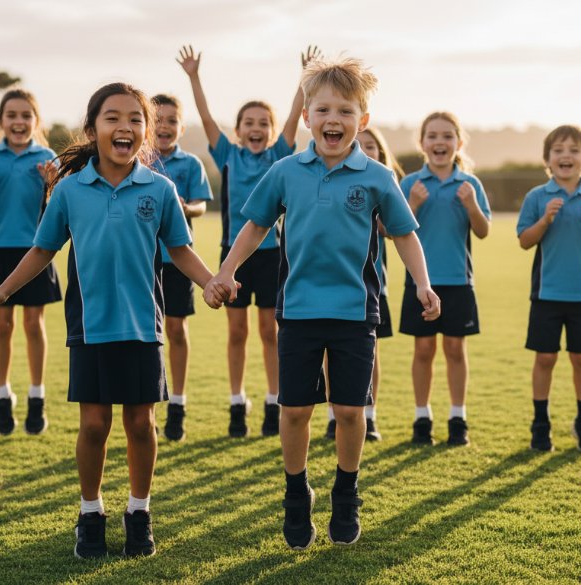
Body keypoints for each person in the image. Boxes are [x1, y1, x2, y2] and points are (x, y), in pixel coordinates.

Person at [0, 83, 225, 559]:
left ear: (146, 133)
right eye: (112, 118)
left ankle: (139, 511)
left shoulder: (161, 188)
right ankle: (90, 513)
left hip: (142, 328)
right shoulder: (69, 189)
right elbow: (43, 249)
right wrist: (3, 289)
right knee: (92, 426)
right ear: (93, 129)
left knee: (141, 425)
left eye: (134, 119)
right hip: (89, 327)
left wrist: (210, 281)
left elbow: (180, 249)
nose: (123, 126)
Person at [204, 57, 440, 549]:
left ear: (363, 121)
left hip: (355, 313)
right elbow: (254, 226)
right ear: (307, 116)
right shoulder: (284, 170)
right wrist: (226, 270)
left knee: (350, 412)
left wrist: (422, 284)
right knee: (294, 412)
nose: (334, 120)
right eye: (324, 109)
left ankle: (346, 492)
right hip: (298, 311)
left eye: (346, 111)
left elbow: (404, 236)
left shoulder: (376, 177)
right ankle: (296, 495)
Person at [177, 44, 319, 437]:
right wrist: (193, 77)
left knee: (269, 333)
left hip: (273, 255)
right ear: (238, 130)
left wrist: (305, 76)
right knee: (236, 333)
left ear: (271, 132)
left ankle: (274, 403)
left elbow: (295, 115)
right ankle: (238, 403)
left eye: (262, 123)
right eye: (248, 123)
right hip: (233, 257)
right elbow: (205, 117)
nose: (255, 129)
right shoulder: (226, 154)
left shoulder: (279, 155)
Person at [516, 124, 581, 452]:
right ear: (548, 158)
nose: (566, 156)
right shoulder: (537, 197)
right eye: (558, 150)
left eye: (574, 150)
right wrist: (545, 219)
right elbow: (524, 241)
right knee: (545, 357)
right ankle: (540, 423)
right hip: (546, 294)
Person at [0, 88, 61, 436]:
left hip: (37, 251)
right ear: (1, 122)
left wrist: (51, 183)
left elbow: (60, 208)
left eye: (26, 115)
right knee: (2, 327)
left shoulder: (48, 157)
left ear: (36, 121)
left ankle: (36, 397)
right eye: (12, 115)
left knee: (34, 325)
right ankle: (2, 396)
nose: (19, 122)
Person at [399, 112, 492, 446]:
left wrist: (470, 205)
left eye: (447, 136)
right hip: (420, 281)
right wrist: (412, 203)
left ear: (459, 142)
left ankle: (458, 417)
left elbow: (482, 231)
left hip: (458, 281)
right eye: (432, 136)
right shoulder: (411, 183)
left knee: (455, 348)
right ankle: (422, 417)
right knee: (423, 349)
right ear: (422, 143)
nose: (440, 142)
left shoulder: (470, 184)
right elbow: (391, 230)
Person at [323, 127, 405, 442]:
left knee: (371, 354)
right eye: (362, 145)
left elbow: (392, 229)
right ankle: (334, 415)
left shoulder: (381, 183)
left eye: (373, 147)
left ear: (381, 155)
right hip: (335, 285)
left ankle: (368, 414)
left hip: (373, 288)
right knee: (331, 353)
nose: (366, 150)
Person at [148, 93, 214, 442]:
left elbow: (202, 205)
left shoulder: (190, 164)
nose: (164, 126)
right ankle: (150, 406)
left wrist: (184, 208)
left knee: (175, 330)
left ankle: (178, 404)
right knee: (147, 337)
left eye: (172, 120)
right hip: (143, 261)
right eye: (158, 119)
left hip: (176, 260)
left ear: (181, 127)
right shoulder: (137, 160)